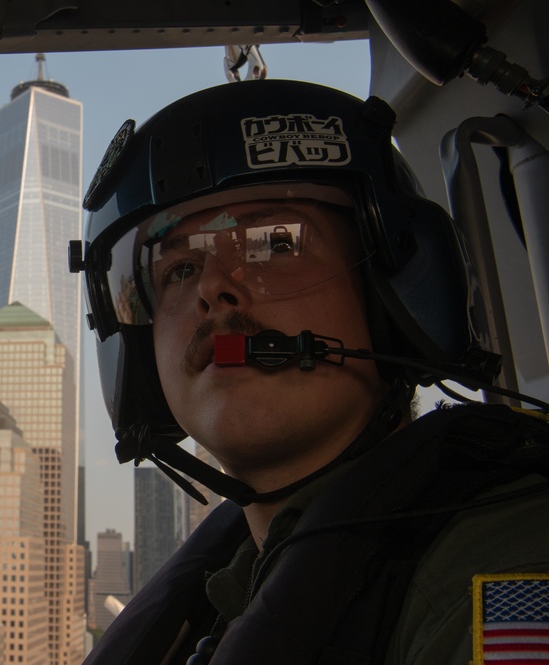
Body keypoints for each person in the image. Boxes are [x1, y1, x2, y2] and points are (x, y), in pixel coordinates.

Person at [71, 80, 549, 664]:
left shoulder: (502, 568)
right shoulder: (231, 595)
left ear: (393, 296)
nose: (213, 289)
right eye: (180, 269)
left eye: (275, 243)